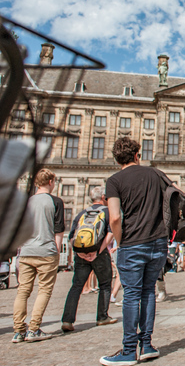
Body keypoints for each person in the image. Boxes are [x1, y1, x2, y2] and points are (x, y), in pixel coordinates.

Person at [101, 137, 167, 365]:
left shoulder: (114, 180)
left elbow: (115, 217)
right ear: (138, 154)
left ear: (117, 159)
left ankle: (129, 350)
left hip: (132, 243)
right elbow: (178, 195)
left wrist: (120, 241)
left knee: (131, 295)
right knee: (149, 291)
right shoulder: (155, 173)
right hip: (158, 242)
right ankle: (146, 345)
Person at [12, 168, 65, 343]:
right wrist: (57, 252)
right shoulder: (55, 201)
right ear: (50, 182)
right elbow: (58, 231)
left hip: (26, 251)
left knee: (23, 291)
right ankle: (33, 329)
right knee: (44, 290)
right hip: (46, 251)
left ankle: (19, 331)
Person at [61, 186, 118, 332]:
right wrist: (98, 251)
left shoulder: (82, 213)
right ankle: (102, 317)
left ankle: (67, 320)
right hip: (99, 253)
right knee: (105, 284)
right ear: (104, 198)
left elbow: (72, 236)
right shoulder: (106, 211)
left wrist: (80, 253)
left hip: (81, 254)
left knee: (76, 286)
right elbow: (111, 233)